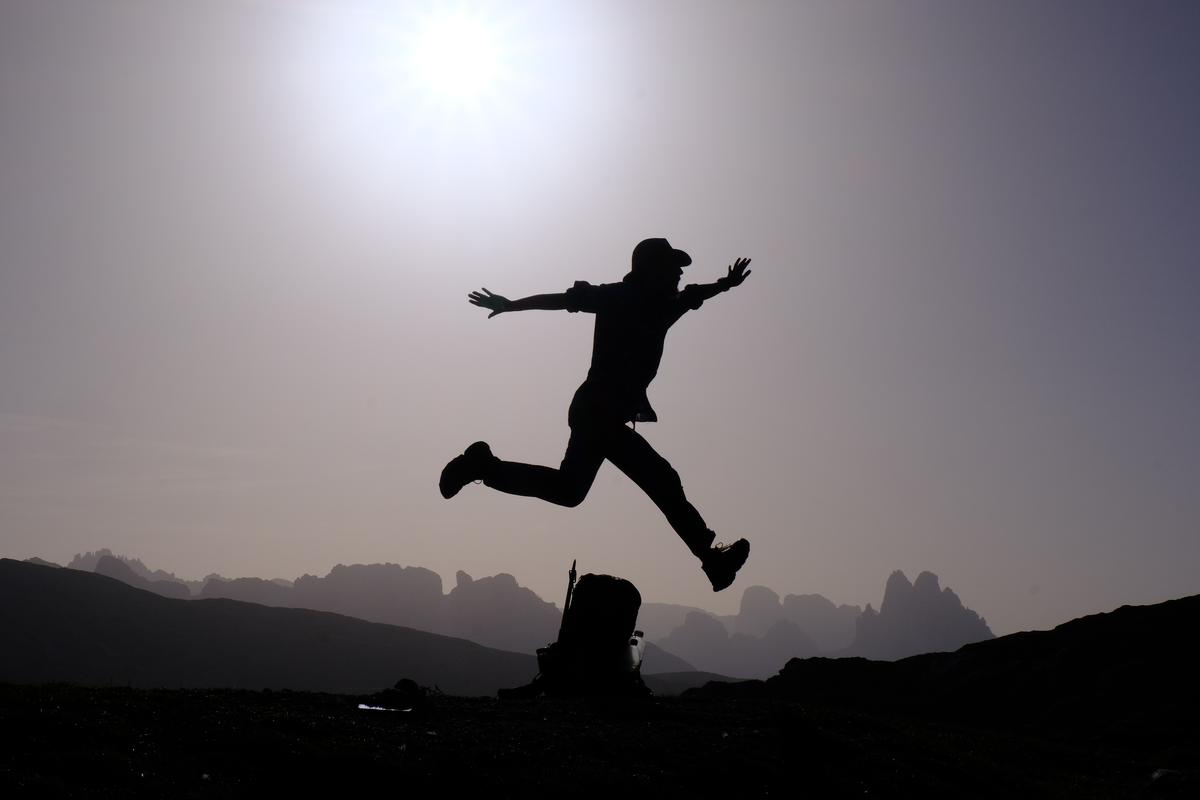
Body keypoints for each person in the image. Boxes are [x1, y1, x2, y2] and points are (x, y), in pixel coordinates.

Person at [439, 238, 752, 591]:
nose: (680, 273)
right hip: (596, 413)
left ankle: (482, 466)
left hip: (602, 416)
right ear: (651, 270)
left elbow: (696, 293)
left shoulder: (664, 306)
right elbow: (564, 300)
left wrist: (725, 284)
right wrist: (512, 305)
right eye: (672, 266)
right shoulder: (619, 297)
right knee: (660, 478)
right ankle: (712, 560)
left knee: (570, 491)